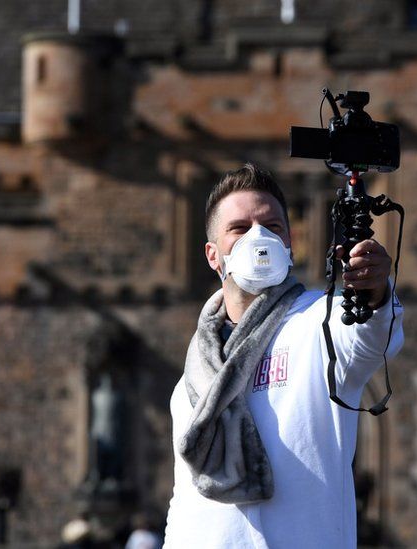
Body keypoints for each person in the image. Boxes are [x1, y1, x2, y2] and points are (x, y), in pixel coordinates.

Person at [164, 163, 404, 548]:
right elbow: (186, 495)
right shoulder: (195, 371)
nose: (258, 236)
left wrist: (373, 293)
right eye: (239, 228)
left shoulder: (321, 320)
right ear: (213, 255)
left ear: (291, 243)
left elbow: (371, 337)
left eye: (273, 227)